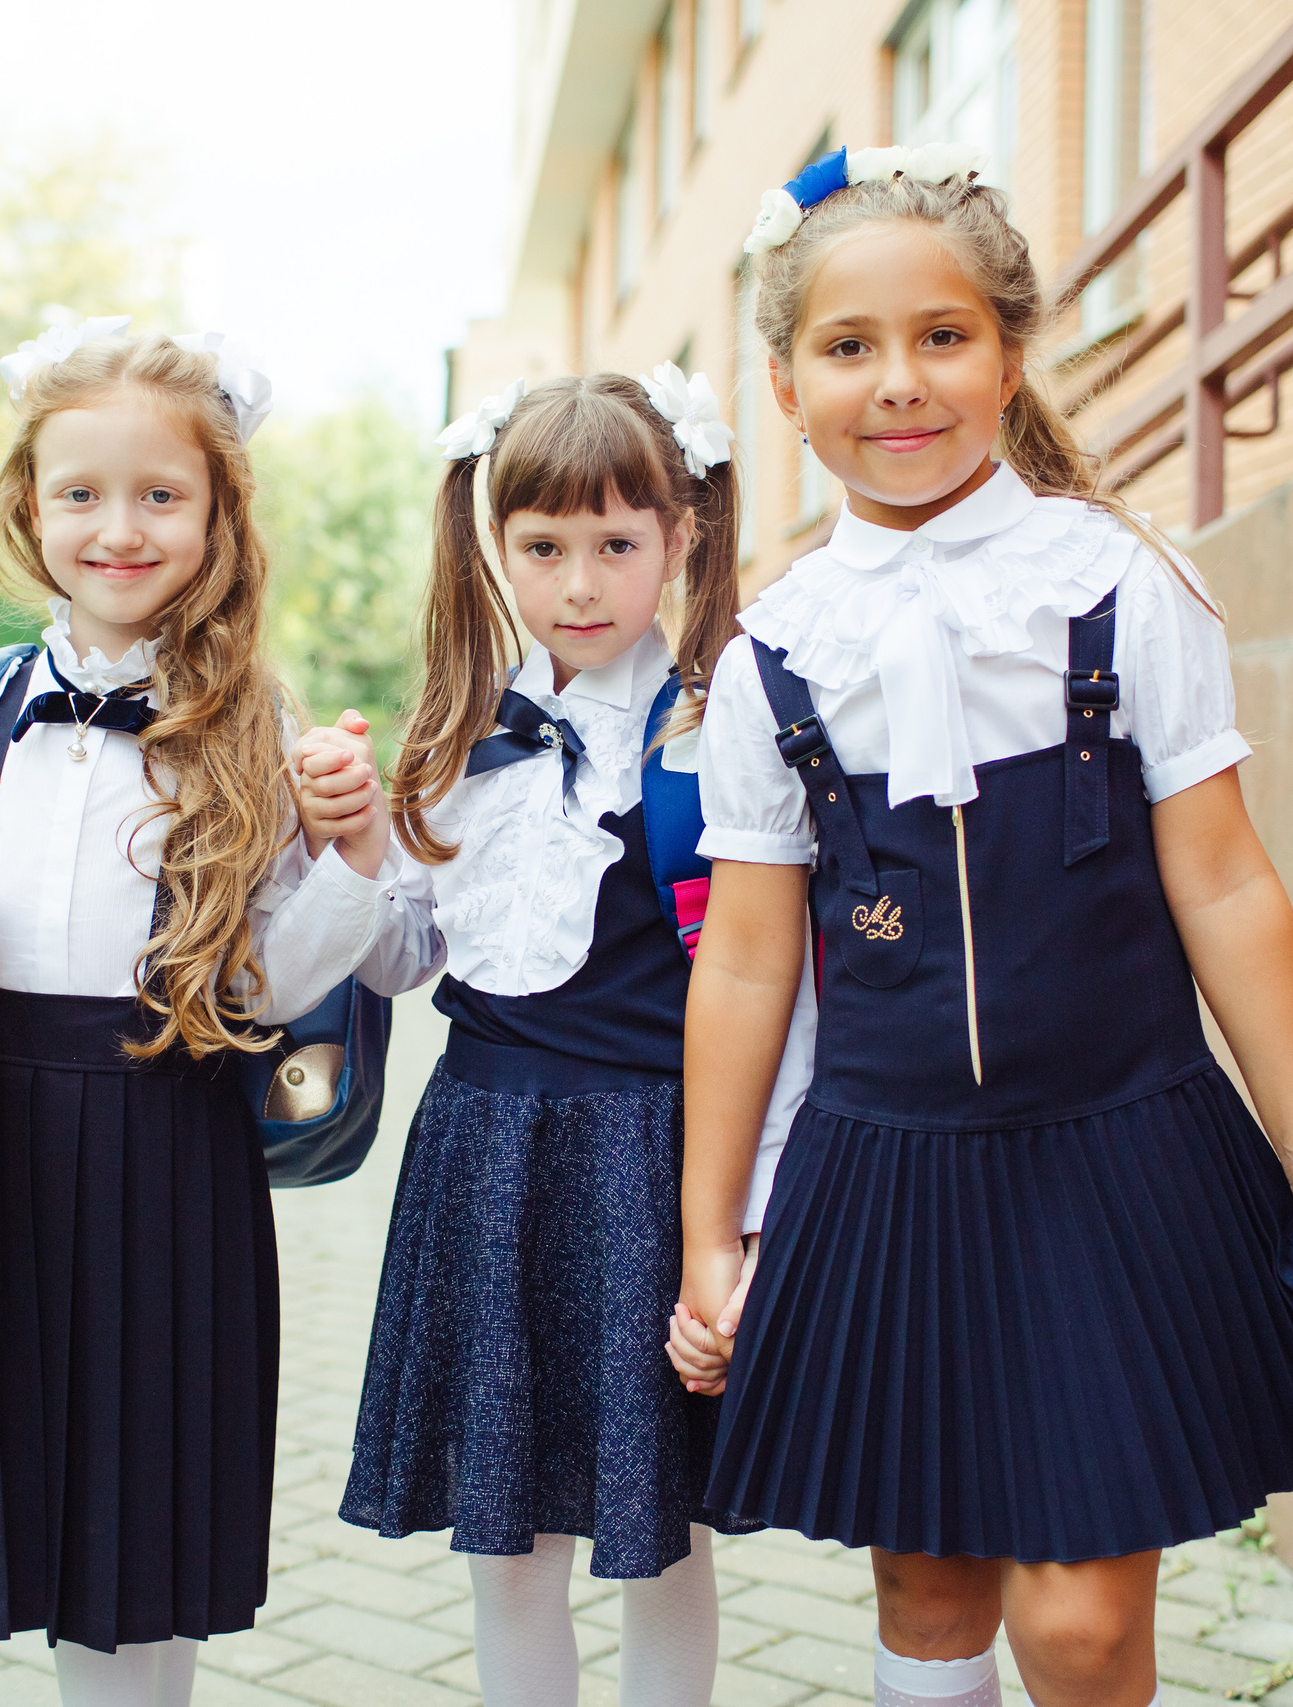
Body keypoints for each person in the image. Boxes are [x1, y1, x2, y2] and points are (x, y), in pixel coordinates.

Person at [666, 148, 1293, 1707]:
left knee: (1083, 1621)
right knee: (929, 1578)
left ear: (1010, 351)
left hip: (1117, 1157)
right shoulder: (774, 655)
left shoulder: (1119, 587)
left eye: (943, 336)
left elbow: (1224, 879)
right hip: (884, 1168)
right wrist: (714, 1230)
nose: (898, 383)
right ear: (784, 385)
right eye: (848, 348)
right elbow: (753, 959)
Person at [0, 321, 397, 1707]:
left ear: (220, 514)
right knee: (30, 1499)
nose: (120, 528)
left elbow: (270, 988)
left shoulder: (254, 722)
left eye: (161, 495)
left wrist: (351, 853)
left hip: (169, 1144)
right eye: (82, 494)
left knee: (143, 1514)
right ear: (27, 508)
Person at [292, 371, 813, 1707]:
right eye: (543, 547)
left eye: (616, 544)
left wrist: (745, 1221)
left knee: (659, 1540)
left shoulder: (713, 731)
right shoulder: (453, 736)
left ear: (680, 538)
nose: (580, 581)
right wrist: (353, 842)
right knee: (504, 1537)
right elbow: (410, 958)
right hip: (479, 1153)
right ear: (496, 544)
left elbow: (772, 986)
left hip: (648, 1160)